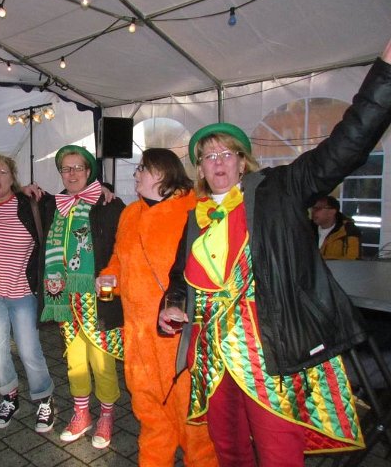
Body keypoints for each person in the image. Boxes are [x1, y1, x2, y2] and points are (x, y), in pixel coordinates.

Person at [159, 39, 391, 467]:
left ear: (242, 161)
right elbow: (179, 276)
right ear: (200, 169)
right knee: (228, 448)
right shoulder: (196, 218)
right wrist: (172, 304)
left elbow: (345, 147)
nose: (217, 161)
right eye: (208, 157)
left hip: (268, 349)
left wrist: (386, 75)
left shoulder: (278, 190)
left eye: (226, 153)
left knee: (278, 451)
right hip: (212, 355)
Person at [98, 148, 217, 466]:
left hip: (179, 338)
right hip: (138, 338)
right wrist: (109, 276)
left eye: (142, 169)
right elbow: (118, 259)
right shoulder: (129, 214)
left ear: (162, 173)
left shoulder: (195, 209)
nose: (136, 174)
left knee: (193, 421)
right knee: (149, 415)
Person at [40, 145, 125, 449]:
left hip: (97, 294)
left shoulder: (108, 203)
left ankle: (106, 414)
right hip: (64, 294)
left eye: (78, 167)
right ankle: (81, 413)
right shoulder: (55, 205)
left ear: (89, 171)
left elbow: (123, 245)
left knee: (102, 358)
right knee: (74, 358)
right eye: (66, 168)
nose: (72, 173)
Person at [0, 154, 55, 432]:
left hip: (21, 291)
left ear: (13, 177)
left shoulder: (30, 203)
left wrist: (102, 190)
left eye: (2, 172)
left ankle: (43, 398)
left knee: (29, 350)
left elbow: (68, 199)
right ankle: (9, 397)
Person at [311, 195, 361, 259]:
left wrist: (319, 260)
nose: (313, 211)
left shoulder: (349, 231)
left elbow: (352, 260)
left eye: (317, 208)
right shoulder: (306, 229)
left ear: (332, 212)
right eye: (312, 208)